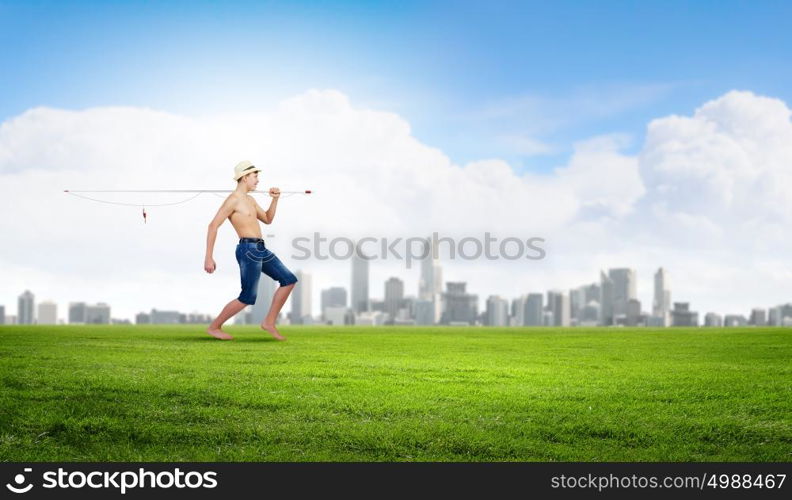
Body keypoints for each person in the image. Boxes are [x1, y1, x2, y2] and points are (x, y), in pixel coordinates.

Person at [204, 161, 298, 341]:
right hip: (247, 249)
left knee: (289, 280)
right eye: (255, 176)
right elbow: (213, 226)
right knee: (247, 297)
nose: (258, 180)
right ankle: (214, 327)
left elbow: (268, 219)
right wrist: (209, 257)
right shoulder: (233, 200)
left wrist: (275, 199)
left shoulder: (251, 200)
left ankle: (269, 322)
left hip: (260, 248)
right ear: (244, 177)